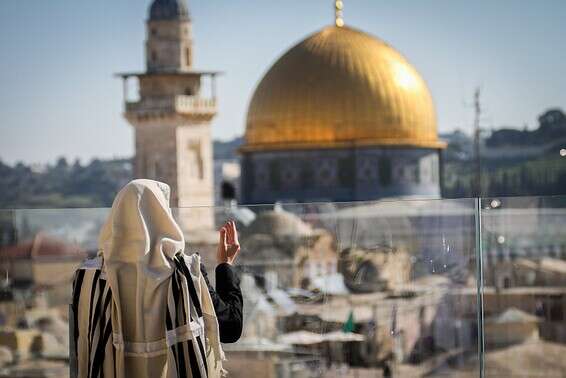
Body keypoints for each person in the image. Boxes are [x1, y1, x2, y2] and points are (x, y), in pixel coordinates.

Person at [70, 179, 243, 378]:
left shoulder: (88, 278)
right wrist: (225, 265)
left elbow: (81, 343)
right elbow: (231, 328)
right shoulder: (185, 274)